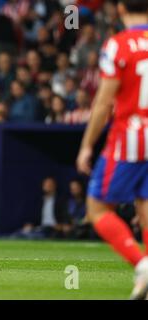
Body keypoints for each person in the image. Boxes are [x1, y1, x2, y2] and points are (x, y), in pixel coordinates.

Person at [76, 0, 148, 300]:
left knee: (96, 209)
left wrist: (86, 145)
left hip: (130, 137)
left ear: (119, 9)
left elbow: (104, 103)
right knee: (145, 206)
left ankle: (141, 263)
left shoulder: (118, 45)